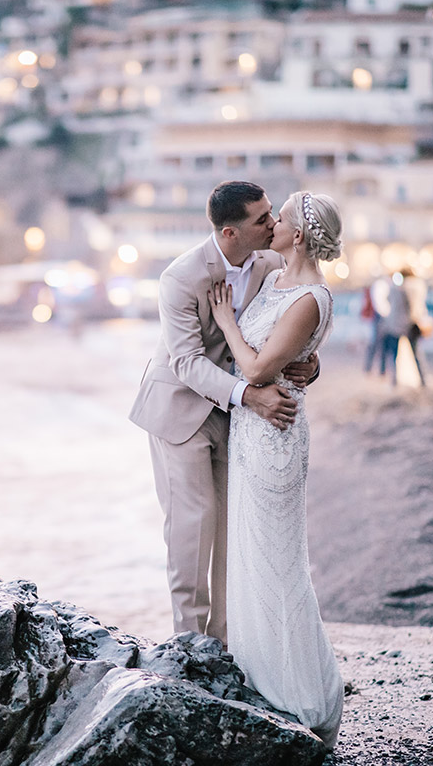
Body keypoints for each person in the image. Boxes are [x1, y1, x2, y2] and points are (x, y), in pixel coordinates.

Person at [128, 181, 318, 645]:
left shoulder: (272, 264)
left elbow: (287, 329)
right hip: (179, 410)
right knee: (193, 525)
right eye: (262, 219)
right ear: (230, 233)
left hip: (236, 419)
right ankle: (189, 646)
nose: (273, 224)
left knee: (232, 528)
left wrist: (308, 364)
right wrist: (250, 396)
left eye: (272, 214)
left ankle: (227, 644)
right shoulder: (180, 277)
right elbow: (187, 362)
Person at [208, 190, 344, 749]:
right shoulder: (273, 281)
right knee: (249, 554)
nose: (273, 225)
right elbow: (288, 358)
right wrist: (300, 364)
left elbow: (261, 364)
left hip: (277, 434)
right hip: (250, 431)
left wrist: (225, 321)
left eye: (280, 219)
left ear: (301, 235)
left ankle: (302, 694)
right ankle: (262, 679)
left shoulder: (311, 296)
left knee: (279, 560)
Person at [385, 268, 431, 387]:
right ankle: (423, 380)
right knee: (416, 354)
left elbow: (388, 301)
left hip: (395, 323)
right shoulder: (418, 287)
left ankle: (394, 381)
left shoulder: (396, 287)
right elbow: (416, 308)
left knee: (394, 354)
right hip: (411, 324)